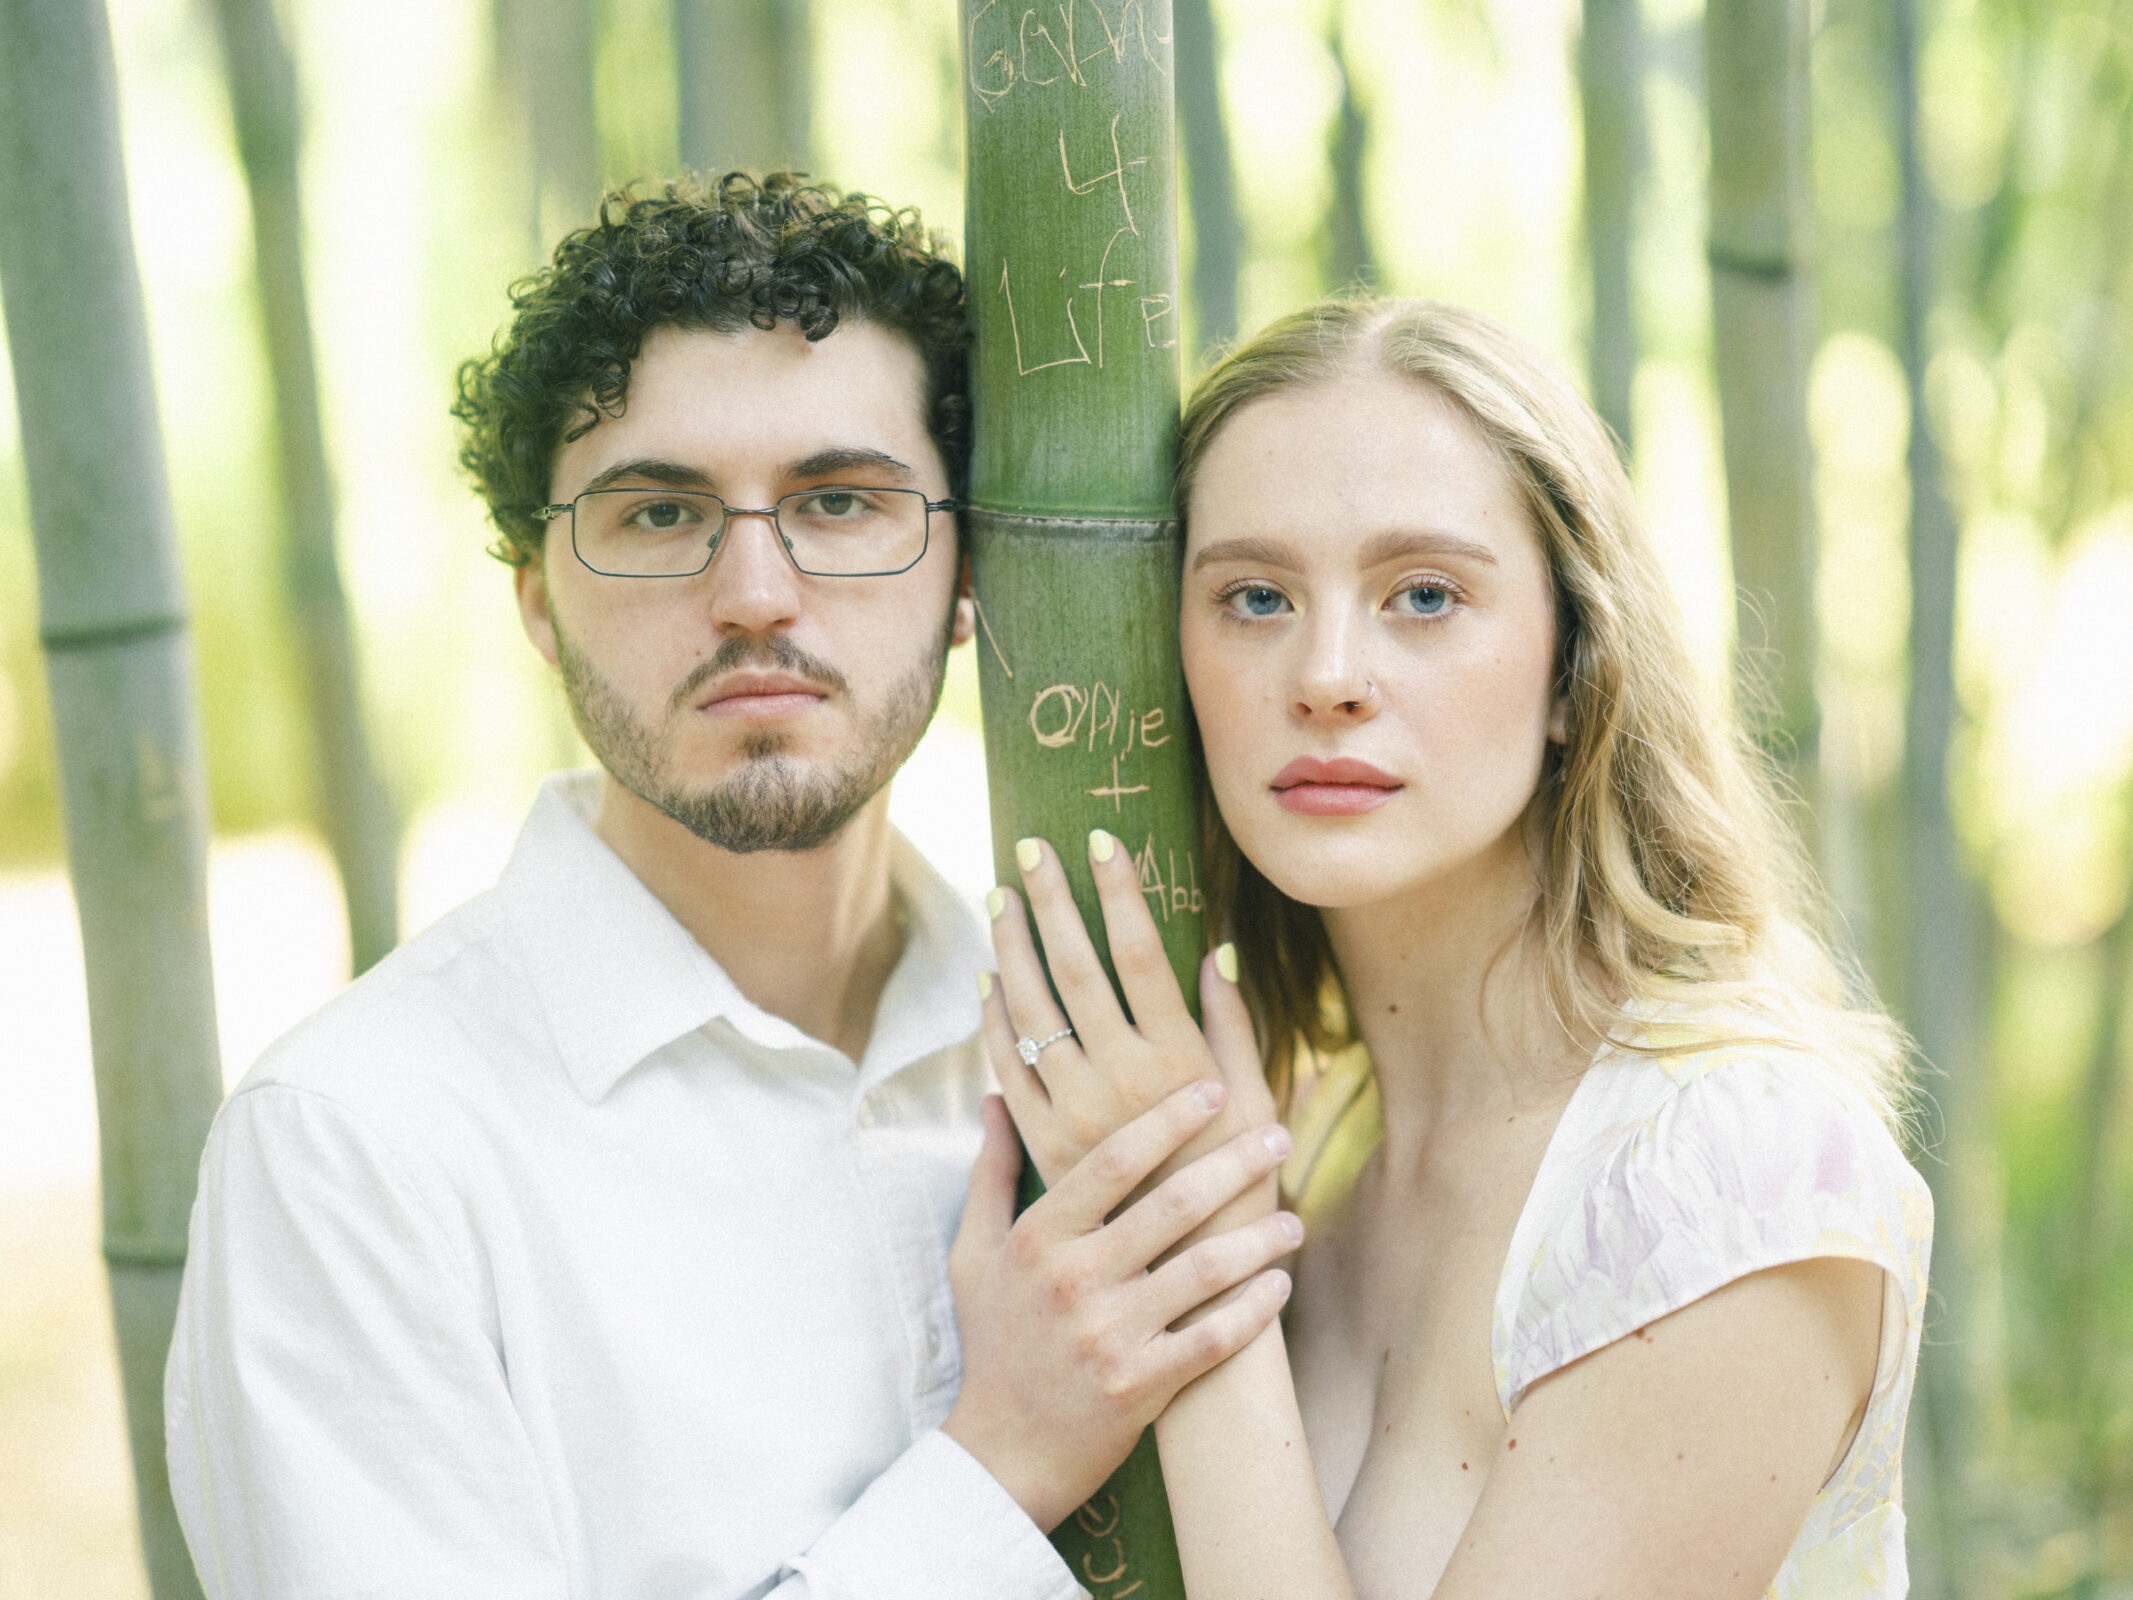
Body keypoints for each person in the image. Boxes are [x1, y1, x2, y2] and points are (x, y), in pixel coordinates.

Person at [161, 173, 1301, 1600]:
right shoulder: (358, 1150)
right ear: (534, 594)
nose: (756, 590)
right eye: (654, 514)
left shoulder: (1124, 1053)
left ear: (965, 574)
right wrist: (1000, 1464)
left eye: (838, 501)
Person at [970, 296, 1934, 1598]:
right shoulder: (1309, 1143)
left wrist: (1190, 1276)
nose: (1325, 673)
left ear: (1570, 666)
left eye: (1422, 595)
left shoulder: (1722, 1178)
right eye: (1252, 597)